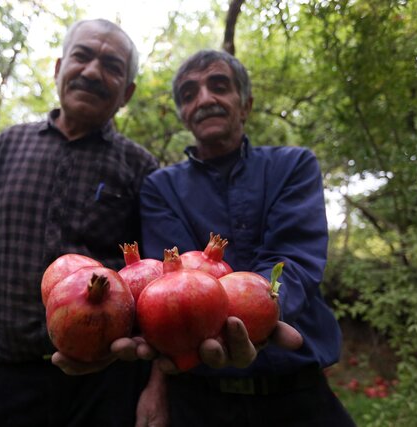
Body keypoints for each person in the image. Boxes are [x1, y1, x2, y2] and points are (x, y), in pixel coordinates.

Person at [0, 19, 160, 427]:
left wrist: (157, 388)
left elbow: (154, 279)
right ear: (58, 68)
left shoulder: (141, 167)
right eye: (82, 56)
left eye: (111, 65)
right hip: (11, 377)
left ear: (127, 93)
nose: (91, 71)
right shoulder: (6, 148)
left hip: (109, 386)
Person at [138, 49, 357, 426]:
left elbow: (293, 261)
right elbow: (171, 283)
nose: (204, 99)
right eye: (190, 94)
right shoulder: (161, 188)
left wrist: (257, 312)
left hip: (298, 394)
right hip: (200, 400)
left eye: (219, 86)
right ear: (183, 115)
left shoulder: (293, 165)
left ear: (246, 103)